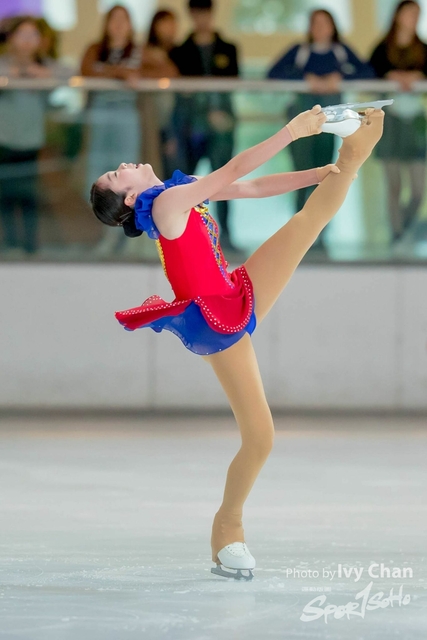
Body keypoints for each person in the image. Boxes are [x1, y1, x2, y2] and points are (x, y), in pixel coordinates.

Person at [89, 103, 385, 579]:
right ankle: (227, 528)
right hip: (215, 321)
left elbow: (249, 187)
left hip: (233, 291)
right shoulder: (165, 206)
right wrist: (291, 132)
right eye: (115, 174)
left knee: (305, 225)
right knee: (260, 435)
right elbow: (231, 170)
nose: (123, 165)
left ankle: (352, 156)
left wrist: (320, 173)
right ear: (129, 198)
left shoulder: (177, 190)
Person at [267, 9, 374, 250]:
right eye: (315, 23)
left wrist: (340, 79)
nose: (320, 28)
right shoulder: (300, 51)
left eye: (325, 23)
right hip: (302, 124)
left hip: (329, 125)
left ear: (333, 27)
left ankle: (320, 234)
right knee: (300, 173)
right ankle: (296, 232)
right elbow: (273, 73)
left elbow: (367, 71)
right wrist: (306, 81)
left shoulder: (340, 51)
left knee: (325, 174)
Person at [169, 0, 239, 252]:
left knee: (224, 181)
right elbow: (179, 93)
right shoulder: (180, 51)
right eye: (197, 13)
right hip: (191, 128)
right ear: (191, 15)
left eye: (205, 13)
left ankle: (226, 237)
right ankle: (186, 240)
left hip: (221, 127)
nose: (202, 18)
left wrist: (220, 115)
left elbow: (233, 84)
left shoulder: (228, 48)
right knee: (188, 184)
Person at [81, 4, 143, 257]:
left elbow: (164, 70)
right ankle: (107, 233)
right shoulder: (96, 50)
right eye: (113, 19)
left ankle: (125, 236)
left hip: (125, 117)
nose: (118, 24)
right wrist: (120, 72)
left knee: (126, 177)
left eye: (123, 19)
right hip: (99, 116)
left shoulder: (139, 51)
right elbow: (85, 70)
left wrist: (121, 73)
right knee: (98, 174)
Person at [0, 16, 60, 256]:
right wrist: (16, 74)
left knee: (29, 195)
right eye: (22, 35)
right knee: (5, 195)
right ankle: (10, 244)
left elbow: (69, 75)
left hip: (32, 141)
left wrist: (43, 75)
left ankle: (30, 246)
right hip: (4, 140)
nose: (27, 41)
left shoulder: (45, 66)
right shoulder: (4, 64)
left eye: (32, 36)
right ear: (11, 38)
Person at [369, 0, 427, 244]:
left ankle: (405, 226)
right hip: (390, 120)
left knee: (418, 190)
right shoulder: (382, 49)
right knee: (393, 184)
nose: (412, 18)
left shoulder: (422, 49)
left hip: (415, 119)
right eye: (408, 13)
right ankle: (397, 234)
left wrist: (418, 77)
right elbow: (369, 74)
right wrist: (390, 77)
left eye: (416, 14)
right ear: (398, 16)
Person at [141, 10, 179, 180]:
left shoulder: (179, 52)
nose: (170, 28)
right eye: (165, 23)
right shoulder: (144, 52)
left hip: (173, 119)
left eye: (172, 23)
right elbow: (141, 74)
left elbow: (173, 73)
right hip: (151, 116)